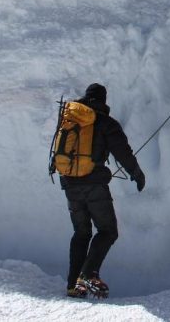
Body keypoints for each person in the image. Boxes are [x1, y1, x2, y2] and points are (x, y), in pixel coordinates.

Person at [54, 82, 146, 299]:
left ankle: (73, 285)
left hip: (69, 183)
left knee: (81, 233)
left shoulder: (70, 119)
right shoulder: (105, 122)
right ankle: (88, 274)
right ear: (103, 101)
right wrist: (137, 173)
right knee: (107, 231)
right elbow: (122, 151)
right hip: (94, 185)